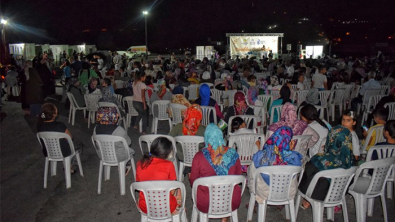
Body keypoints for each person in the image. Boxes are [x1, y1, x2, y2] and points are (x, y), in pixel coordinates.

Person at [189, 124, 242, 222]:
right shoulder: (233, 153)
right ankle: (225, 217)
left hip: (207, 202)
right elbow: (239, 176)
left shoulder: (199, 157)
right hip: (231, 200)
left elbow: (193, 182)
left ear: (207, 138)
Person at [298, 125, 354, 208]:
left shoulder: (320, 158)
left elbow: (307, 174)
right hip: (339, 193)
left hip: (320, 194)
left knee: (308, 173)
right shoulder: (351, 161)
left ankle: (306, 202)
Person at [247, 126, 303, 205]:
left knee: (251, 170)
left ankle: (254, 197)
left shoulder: (260, 155)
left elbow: (252, 175)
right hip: (288, 193)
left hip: (265, 194)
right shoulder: (295, 157)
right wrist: (290, 150)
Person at [136, 137, 180, 214]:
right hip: (166, 206)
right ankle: (181, 215)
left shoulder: (140, 163)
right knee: (179, 189)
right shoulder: (169, 165)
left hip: (145, 206)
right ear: (166, 153)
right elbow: (172, 190)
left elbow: (138, 184)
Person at [37, 103, 82, 173]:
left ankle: (64, 165)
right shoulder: (60, 125)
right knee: (79, 144)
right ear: (54, 114)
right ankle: (70, 166)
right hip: (62, 152)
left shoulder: (39, 126)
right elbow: (70, 138)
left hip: (48, 151)